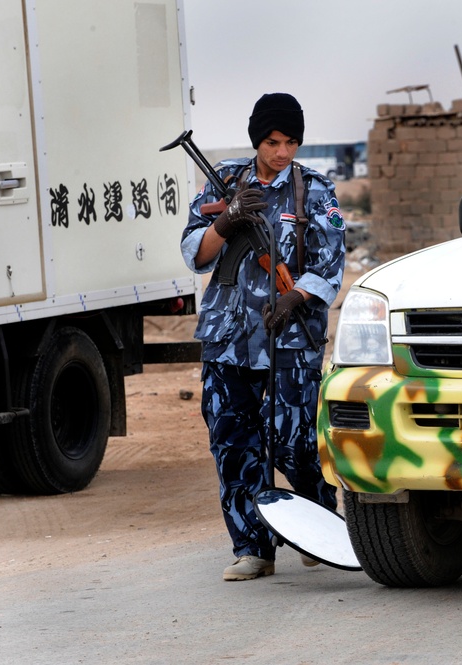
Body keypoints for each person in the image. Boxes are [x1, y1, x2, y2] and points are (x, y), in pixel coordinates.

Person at [181, 93, 345, 581]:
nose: (282, 152)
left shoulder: (313, 190)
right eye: (273, 141)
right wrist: (227, 221)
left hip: (289, 340)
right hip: (228, 337)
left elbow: (330, 263)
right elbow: (195, 253)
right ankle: (253, 548)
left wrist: (297, 299)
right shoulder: (226, 181)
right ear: (258, 139)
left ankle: (318, 528)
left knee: (293, 443)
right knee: (233, 443)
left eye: (291, 141)